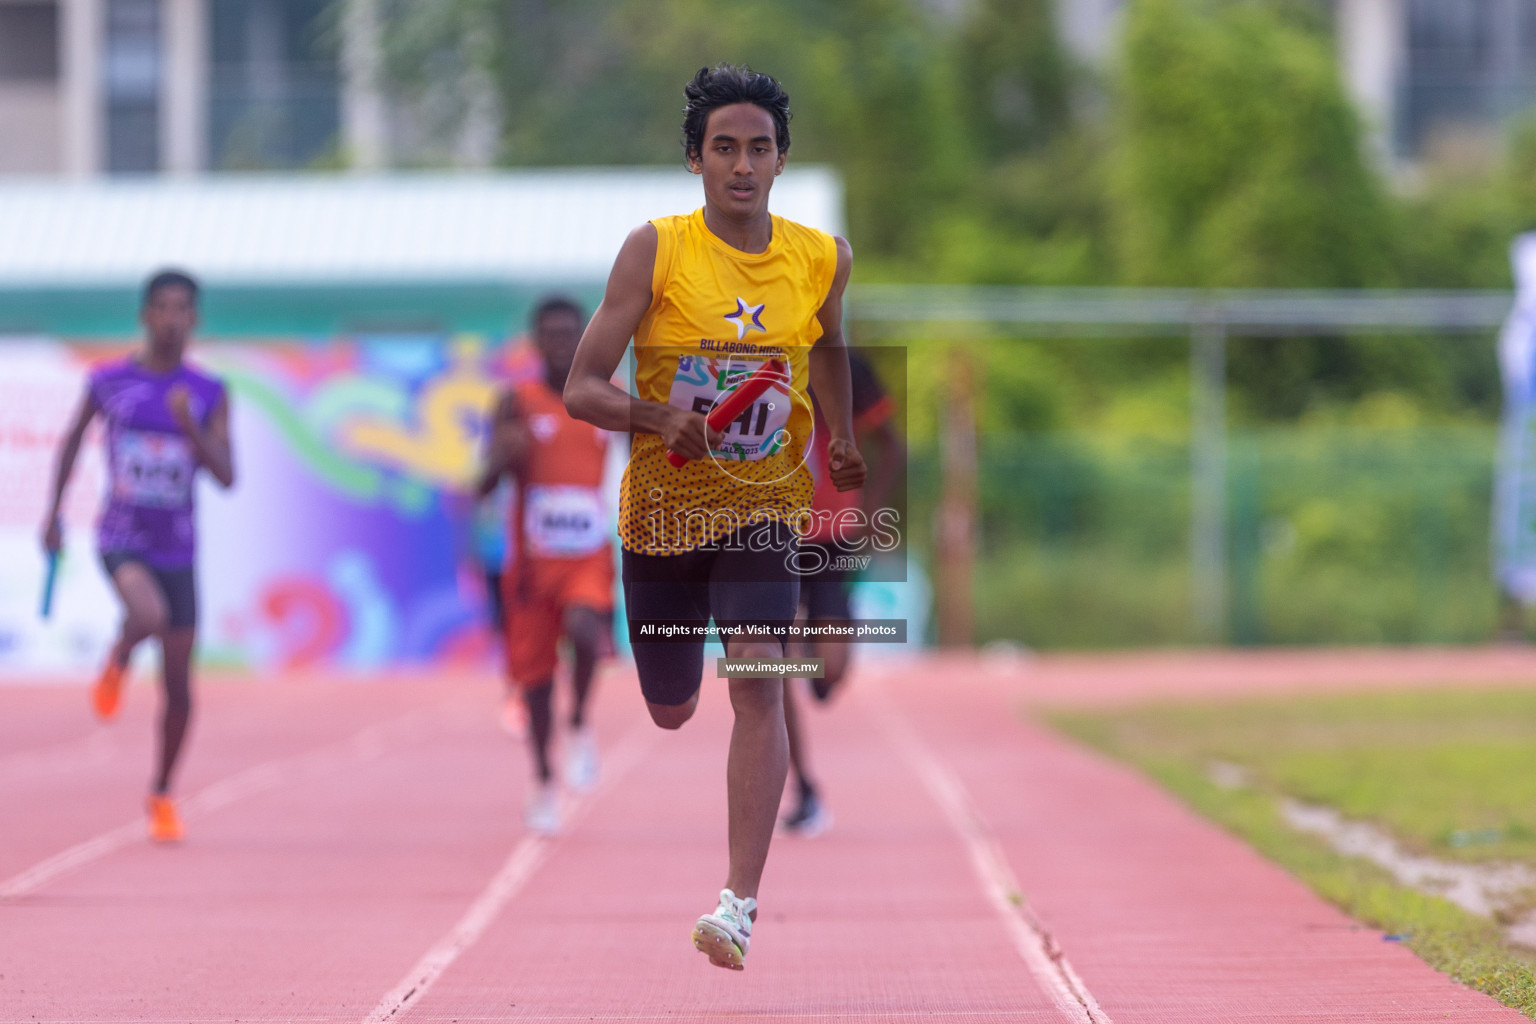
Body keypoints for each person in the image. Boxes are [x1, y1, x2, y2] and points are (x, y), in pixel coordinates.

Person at [563, 63, 865, 970]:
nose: (742, 164)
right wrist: (658, 418)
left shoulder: (822, 258)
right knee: (670, 710)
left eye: (759, 148)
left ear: (781, 160)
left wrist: (841, 437)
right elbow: (580, 387)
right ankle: (673, 670)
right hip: (662, 515)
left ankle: (738, 905)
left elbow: (834, 348)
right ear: (694, 160)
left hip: (765, 507)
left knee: (760, 678)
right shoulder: (654, 251)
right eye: (724, 148)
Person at [41, 269, 235, 843]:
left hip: (179, 547)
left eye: (183, 310)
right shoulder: (108, 382)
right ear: (145, 316)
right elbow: (73, 440)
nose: (172, 320)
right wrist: (53, 512)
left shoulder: (207, 392)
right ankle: (122, 653)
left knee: (179, 688)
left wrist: (190, 430)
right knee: (145, 616)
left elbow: (227, 475)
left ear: (195, 320)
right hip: (122, 537)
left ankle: (163, 792)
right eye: (163, 308)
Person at [477, 296, 613, 835]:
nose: (560, 342)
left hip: (587, 555)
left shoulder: (605, 401)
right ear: (536, 341)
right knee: (534, 684)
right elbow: (481, 485)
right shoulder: (515, 402)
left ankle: (579, 720)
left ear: (584, 339)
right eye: (549, 334)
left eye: (569, 333)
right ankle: (541, 777)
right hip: (533, 564)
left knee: (586, 631)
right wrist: (501, 457)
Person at [779, 350, 904, 837]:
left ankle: (813, 650)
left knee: (828, 677)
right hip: (771, 534)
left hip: (834, 538)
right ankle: (803, 785)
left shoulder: (851, 368)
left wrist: (869, 516)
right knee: (773, 667)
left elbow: (893, 446)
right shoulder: (761, 355)